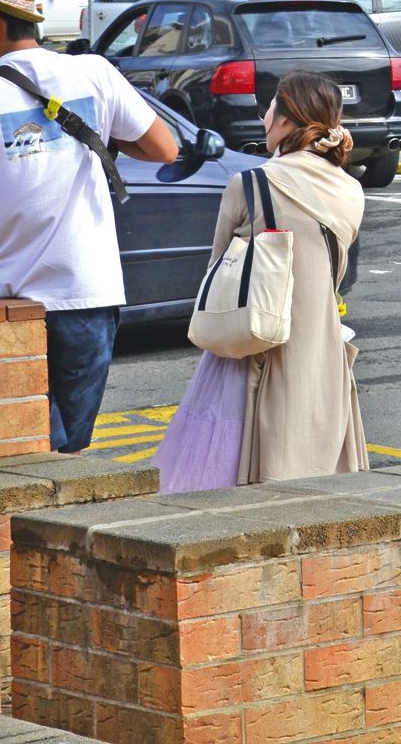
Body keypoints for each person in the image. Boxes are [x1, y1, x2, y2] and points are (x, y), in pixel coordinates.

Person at [0, 0, 178, 452]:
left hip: (9, 302)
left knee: (20, 450)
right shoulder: (94, 74)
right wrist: (96, 137)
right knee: (70, 451)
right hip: (88, 294)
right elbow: (164, 148)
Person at [155, 70, 368, 489]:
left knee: (240, 480)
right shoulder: (351, 190)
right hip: (321, 353)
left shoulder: (250, 185)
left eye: (271, 106)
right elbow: (332, 275)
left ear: (287, 121)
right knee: (324, 481)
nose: (265, 115)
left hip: (253, 347)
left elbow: (219, 269)